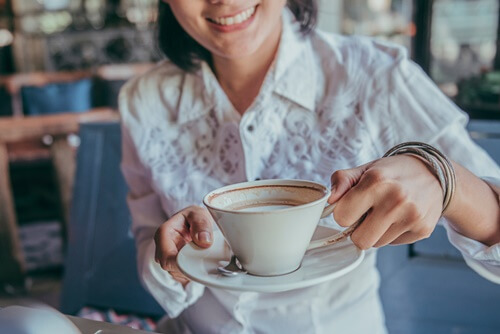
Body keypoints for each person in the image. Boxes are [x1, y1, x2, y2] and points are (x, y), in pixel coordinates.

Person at [118, 0, 500, 333]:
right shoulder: (142, 100)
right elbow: (149, 235)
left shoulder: (374, 74)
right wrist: (174, 262)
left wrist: (444, 181)